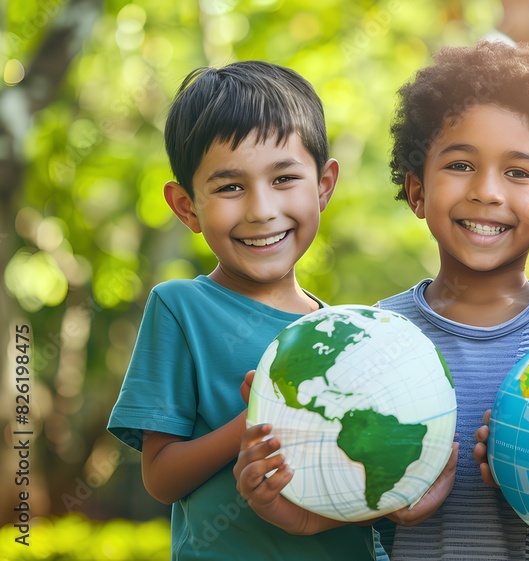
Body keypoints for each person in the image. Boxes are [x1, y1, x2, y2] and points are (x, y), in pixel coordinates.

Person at [233, 40, 529, 561]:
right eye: (460, 165)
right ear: (416, 192)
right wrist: (290, 510)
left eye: (518, 172)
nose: (487, 191)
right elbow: (348, 491)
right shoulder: (364, 339)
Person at [107, 60, 376, 559]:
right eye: (230, 186)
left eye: (284, 179)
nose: (260, 209)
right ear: (187, 206)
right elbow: (161, 477)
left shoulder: (347, 335)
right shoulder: (181, 307)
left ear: (323, 185)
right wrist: (257, 416)